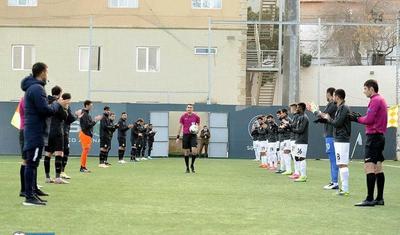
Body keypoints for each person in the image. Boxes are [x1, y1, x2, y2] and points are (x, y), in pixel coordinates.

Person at [21, 62, 69, 206]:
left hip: (35, 131)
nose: (47, 74)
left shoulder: (34, 87)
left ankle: (32, 192)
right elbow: (45, 110)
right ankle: (29, 196)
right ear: (42, 72)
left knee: (33, 163)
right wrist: (57, 104)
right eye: (46, 72)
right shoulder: (37, 88)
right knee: (32, 164)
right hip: (35, 132)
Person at [352, 80, 388, 207]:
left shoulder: (375, 100)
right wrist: (361, 117)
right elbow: (372, 118)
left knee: (369, 167)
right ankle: (379, 198)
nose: (364, 91)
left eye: (365, 89)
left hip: (373, 138)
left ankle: (369, 199)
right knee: (378, 167)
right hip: (380, 137)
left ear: (371, 89)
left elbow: (369, 119)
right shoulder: (381, 99)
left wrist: (356, 118)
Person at [321, 89, 351, 196]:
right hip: (338, 138)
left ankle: (345, 188)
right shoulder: (340, 108)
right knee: (340, 163)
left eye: (334, 96)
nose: (332, 98)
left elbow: (337, 123)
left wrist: (329, 119)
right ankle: (343, 188)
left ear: (337, 97)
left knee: (342, 164)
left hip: (342, 139)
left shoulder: (344, 108)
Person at [310, 87, 339, 190]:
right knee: (332, 159)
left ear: (329, 94)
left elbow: (323, 116)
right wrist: (316, 111)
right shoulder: (331, 105)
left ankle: (335, 182)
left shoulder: (332, 104)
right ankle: (333, 181)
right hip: (329, 134)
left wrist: (315, 111)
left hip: (331, 134)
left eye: (326, 94)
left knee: (333, 159)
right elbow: (323, 116)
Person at [44, 86, 69, 184]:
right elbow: (65, 116)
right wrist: (65, 108)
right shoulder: (59, 102)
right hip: (57, 130)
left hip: (47, 130)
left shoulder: (46, 101)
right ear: (60, 93)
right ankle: (58, 178)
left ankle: (47, 177)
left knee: (48, 153)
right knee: (59, 153)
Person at [176, 104, 200, 173]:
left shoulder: (196, 117)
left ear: (193, 109)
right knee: (186, 152)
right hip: (185, 135)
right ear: (186, 109)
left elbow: (198, 125)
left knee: (194, 151)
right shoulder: (183, 117)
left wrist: (197, 130)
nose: (189, 109)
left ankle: (192, 164)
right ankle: (187, 168)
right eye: (188, 107)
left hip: (193, 135)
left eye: (191, 107)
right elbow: (180, 126)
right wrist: (178, 136)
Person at [79, 100, 102, 173]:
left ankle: (83, 167)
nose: (91, 107)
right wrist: (95, 120)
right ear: (86, 105)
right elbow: (87, 126)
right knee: (85, 150)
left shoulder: (86, 114)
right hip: (85, 134)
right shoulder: (84, 114)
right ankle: (82, 167)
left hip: (87, 134)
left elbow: (89, 125)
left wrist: (95, 121)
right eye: (90, 106)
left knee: (86, 151)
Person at [291, 103, 309, 182]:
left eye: (297, 108)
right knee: (297, 157)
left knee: (301, 158)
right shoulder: (300, 117)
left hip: (302, 141)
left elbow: (301, 130)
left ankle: (304, 176)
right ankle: (300, 174)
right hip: (298, 140)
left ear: (301, 108)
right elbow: (296, 128)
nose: (296, 109)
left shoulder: (305, 118)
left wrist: (291, 130)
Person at [61, 99, 77, 179]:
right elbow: (70, 118)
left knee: (58, 152)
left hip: (61, 132)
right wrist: (77, 116)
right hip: (62, 132)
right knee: (64, 151)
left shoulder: (56, 106)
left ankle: (55, 175)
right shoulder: (63, 108)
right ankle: (61, 172)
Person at [278, 109, 293, 175]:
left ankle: (289, 170)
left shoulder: (287, 119)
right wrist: (281, 128)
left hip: (288, 138)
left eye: (281, 113)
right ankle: (285, 169)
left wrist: (281, 128)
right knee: (284, 155)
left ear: (284, 113)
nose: (280, 115)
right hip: (284, 139)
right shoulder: (283, 120)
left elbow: (285, 129)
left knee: (287, 154)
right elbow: (279, 129)